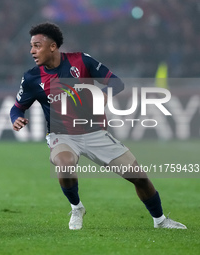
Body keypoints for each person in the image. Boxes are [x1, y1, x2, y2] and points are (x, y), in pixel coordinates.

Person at [10, 22, 187, 230]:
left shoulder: (81, 61)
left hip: (95, 133)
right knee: (64, 164)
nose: (32, 51)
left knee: (139, 178)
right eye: (31, 46)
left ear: (53, 46)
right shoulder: (32, 78)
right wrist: (16, 118)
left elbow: (116, 83)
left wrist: (104, 94)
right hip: (63, 135)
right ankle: (76, 207)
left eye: (37, 45)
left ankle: (160, 221)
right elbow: (17, 107)